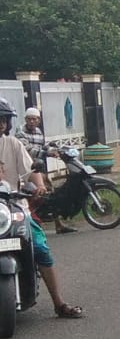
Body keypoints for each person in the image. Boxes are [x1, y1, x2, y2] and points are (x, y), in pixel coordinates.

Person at [0, 155, 84, 318]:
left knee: (39, 248)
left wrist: (38, 186)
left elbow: (31, 171)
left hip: (16, 213)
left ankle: (59, 303)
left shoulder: (13, 145)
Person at [19, 106, 76, 233]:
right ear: (25, 120)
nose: (31, 122)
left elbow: (43, 146)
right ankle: (31, 225)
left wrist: (53, 149)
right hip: (27, 170)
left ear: (38, 120)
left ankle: (58, 224)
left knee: (50, 193)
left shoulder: (39, 132)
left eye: (34, 119)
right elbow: (27, 150)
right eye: (29, 119)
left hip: (39, 167)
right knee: (34, 196)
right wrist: (46, 153)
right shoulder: (20, 133)